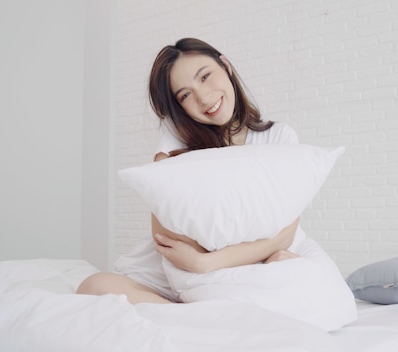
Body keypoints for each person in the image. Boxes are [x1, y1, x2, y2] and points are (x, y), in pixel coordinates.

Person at [77, 38, 301, 304]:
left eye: (205, 76)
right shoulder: (176, 143)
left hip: (219, 270)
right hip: (167, 274)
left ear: (226, 66)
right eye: (185, 95)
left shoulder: (278, 138)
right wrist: (197, 264)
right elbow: (164, 235)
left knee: (289, 269)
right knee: (94, 287)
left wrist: (206, 263)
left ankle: (193, 313)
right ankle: (191, 313)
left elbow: (286, 233)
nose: (204, 98)